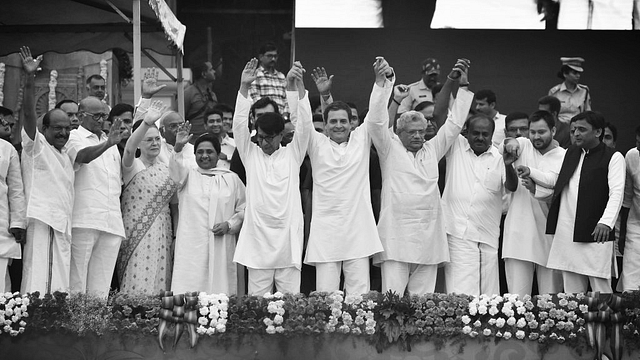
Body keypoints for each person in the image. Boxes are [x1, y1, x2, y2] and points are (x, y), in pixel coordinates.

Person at [370, 59, 473, 295]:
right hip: (396, 237)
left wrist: (463, 86)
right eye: (411, 132)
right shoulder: (389, 149)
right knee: (392, 302)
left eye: (421, 131)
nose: (418, 136)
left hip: (428, 239)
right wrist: (386, 90)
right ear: (399, 132)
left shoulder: (432, 149)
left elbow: (455, 123)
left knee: (423, 303)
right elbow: (377, 122)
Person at [304, 57, 393, 296]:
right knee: (325, 296)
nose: (339, 125)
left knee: (359, 296)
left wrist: (380, 82)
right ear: (324, 125)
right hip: (326, 231)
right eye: (333, 121)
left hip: (357, 230)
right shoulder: (316, 143)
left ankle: (359, 336)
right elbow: (300, 122)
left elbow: (375, 115)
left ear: (352, 123)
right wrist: (323, 96)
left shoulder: (361, 140)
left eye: (344, 121)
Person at [232, 59, 311, 296]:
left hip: (287, 240)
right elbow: (238, 126)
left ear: (280, 136)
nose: (264, 143)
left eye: (269, 138)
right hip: (258, 243)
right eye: (261, 137)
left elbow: (304, 124)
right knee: (257, 307)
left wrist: (294, 87)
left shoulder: (293, 154)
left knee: (291, 305)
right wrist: (244, 88)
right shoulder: (250, 154)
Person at [543, 111, 624, 293]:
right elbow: (557, 180)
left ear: (597, 132)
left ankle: (605, 323)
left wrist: (606, 222)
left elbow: (617, 192)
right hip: (567, 232)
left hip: (597, 233)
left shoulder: (613, 156)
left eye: (581, 129)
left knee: (601, 289)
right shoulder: (571, 152)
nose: (576, 134)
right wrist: (530, 173)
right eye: (573, 130)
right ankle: (576, 323)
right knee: (572, 293)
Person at [442, 112, 518, 296]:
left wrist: (508, 165)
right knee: (459, 292)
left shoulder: (500, 156)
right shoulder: (455, 147)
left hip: (487, 235)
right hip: (457, 232)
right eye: (476, 133)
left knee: (488, 295)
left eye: (485, 134)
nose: (480, 138)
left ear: (493, 135)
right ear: (466, 133)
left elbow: (512, 187)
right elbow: (441, 118)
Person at [18, 46, 74, 295]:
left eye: (67, 129)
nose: (63, 133)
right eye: (57, 128)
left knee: (60, 282)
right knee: (40, 279)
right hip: (43, 221)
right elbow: (29, 114)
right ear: (45, 129)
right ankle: (34, 324)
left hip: (62, 224)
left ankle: (55, 327)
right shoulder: (36, 147)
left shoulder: (64, 155)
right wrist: (29, 78)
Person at [170, 129, 246, 295]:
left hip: (221, 243)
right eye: (200, 152)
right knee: (189, 290)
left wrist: (230, 225)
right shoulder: (187, 176)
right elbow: (175, 172)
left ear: (218, 155)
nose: (204, 156)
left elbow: (244, 209)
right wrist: (177, 148)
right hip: (191, 246)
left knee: (220, 290)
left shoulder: (232, 178)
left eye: (209, 152)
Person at [66, 96, 126, 298]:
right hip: (84, 220)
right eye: (97, 115)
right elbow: (81, 157)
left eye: (104, 115)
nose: (101, 120)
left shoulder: (110, 140)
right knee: (77, 283)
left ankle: (96, 329)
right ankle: (75, 329)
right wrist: (109, 143)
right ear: (81, 116)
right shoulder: (74, 136)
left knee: (100, 290)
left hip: (111, 222)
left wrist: (109, 142)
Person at [117, 101, 179, 295]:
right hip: (136, 231)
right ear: (139, 144)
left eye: (157, 139)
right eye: (149, 140)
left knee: (162, 279)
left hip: (164, 231)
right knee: (136, 279)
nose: (154, 143)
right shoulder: (132, 166)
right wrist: (146, 122)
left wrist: (176, 236)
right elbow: (128, 148)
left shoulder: (168, 168)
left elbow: (175, 207)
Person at [501, 110, 565, 296]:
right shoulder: (523, 144)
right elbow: (511, 187)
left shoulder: (564, 156)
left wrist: (534, 182)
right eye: (532, 131)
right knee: (517, 302)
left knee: (552, 302)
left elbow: (553, 183)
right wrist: (508, 163)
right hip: (518, 235)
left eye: (542, 132)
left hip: (550, 236)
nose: (536, 136)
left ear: (553, 130)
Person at [619, 125, 640, 291]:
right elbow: (627, 196)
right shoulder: (632, 155)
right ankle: (632, 316)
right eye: (637, 142)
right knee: (631, 283)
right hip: (635, 225)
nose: (639, 147)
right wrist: (623, 234)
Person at [549, 57, 591, 125]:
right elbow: (550, 115)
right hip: (560, 128)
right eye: (574, 73)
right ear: (565, 74)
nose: (578, 76)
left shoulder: (584, 91)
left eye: (579, 73)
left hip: (578, 126)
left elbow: (588, 112)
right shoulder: (555, 92)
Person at [249, 42, 288, 114]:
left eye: (275, 56)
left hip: (281, 119)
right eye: (269, 56)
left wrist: (285, 115)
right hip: (264, 117)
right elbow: (255, 98)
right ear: (261, 57)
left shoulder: (281, 76)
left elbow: (287, 99)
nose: (273, 59)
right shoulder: (255, 75)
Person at [184, 60, 218, 138]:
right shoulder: (188, 93)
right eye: (211, 69)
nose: (214, 71)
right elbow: (179, 117)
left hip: (211, 138)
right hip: (193, 140)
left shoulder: (212, 95)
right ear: (204, 74)